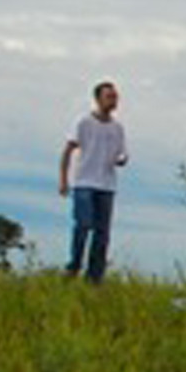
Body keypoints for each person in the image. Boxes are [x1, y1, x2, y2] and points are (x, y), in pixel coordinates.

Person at [56, 80, 128, 283]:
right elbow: (68, 151)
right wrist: (63, 179)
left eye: (115, 97)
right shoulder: (83, 122)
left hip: (107, 185)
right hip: (84, 183)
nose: (113, 101)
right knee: (84, 224)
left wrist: (121, 159)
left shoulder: (117, 128)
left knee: (102, 234)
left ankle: (95, 277)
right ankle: (74, 266)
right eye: (109, 97)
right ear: (98, 99)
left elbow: (122, 153)